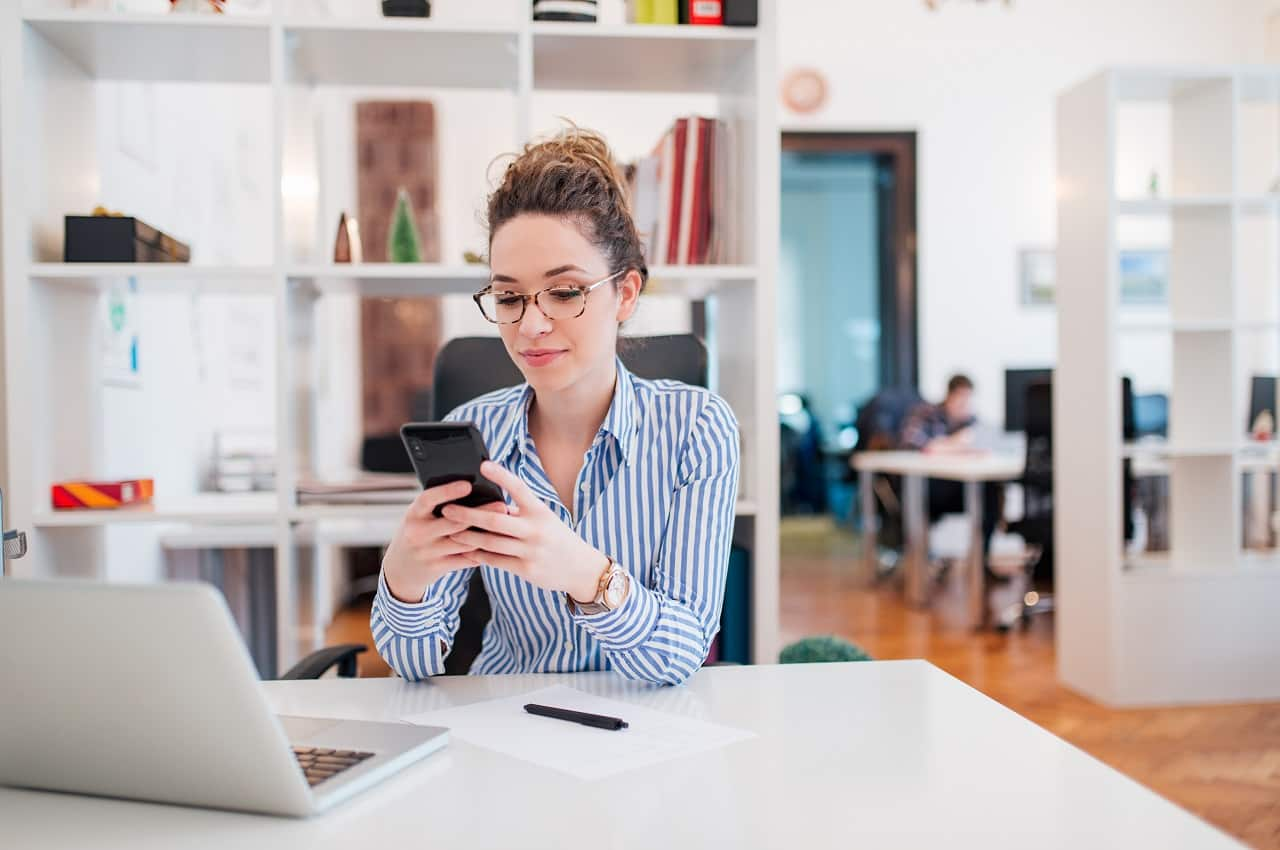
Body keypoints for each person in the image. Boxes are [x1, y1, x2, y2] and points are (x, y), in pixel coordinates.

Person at [370, 126, 740, 686]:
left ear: (626, 294)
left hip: (647, 730)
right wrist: (404, 574)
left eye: (565, 292)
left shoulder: (698, 427)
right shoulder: (474, 431)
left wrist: (583, 573)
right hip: (509, 722)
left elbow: (680, 656)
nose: (531, 325)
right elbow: (414, 664)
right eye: (509, 297)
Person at [899, 374, 1002, 552]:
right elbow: (912, 443)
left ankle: (981, 560)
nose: (965, 405)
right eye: (961, 399)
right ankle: (918, 557)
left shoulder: (971, 421)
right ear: (949, 396)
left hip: (959, 487)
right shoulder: (926, 413)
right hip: (929, 487)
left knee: (990, 491)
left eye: (969, 399)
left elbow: (986, 445)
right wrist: (953, 444)